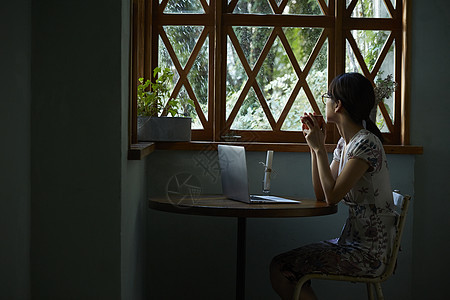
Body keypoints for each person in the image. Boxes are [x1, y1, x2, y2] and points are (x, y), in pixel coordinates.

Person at [269, 73, 396, 300]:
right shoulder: (345, 143)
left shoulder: (365, 143)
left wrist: (319, 150)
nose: (325, 101)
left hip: (370, 254)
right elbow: (321, 192)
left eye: (327, 96)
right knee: (281, 266)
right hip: (352, 242)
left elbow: (332, 197)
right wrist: (314, 147)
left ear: (338, 105)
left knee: (281, 268)